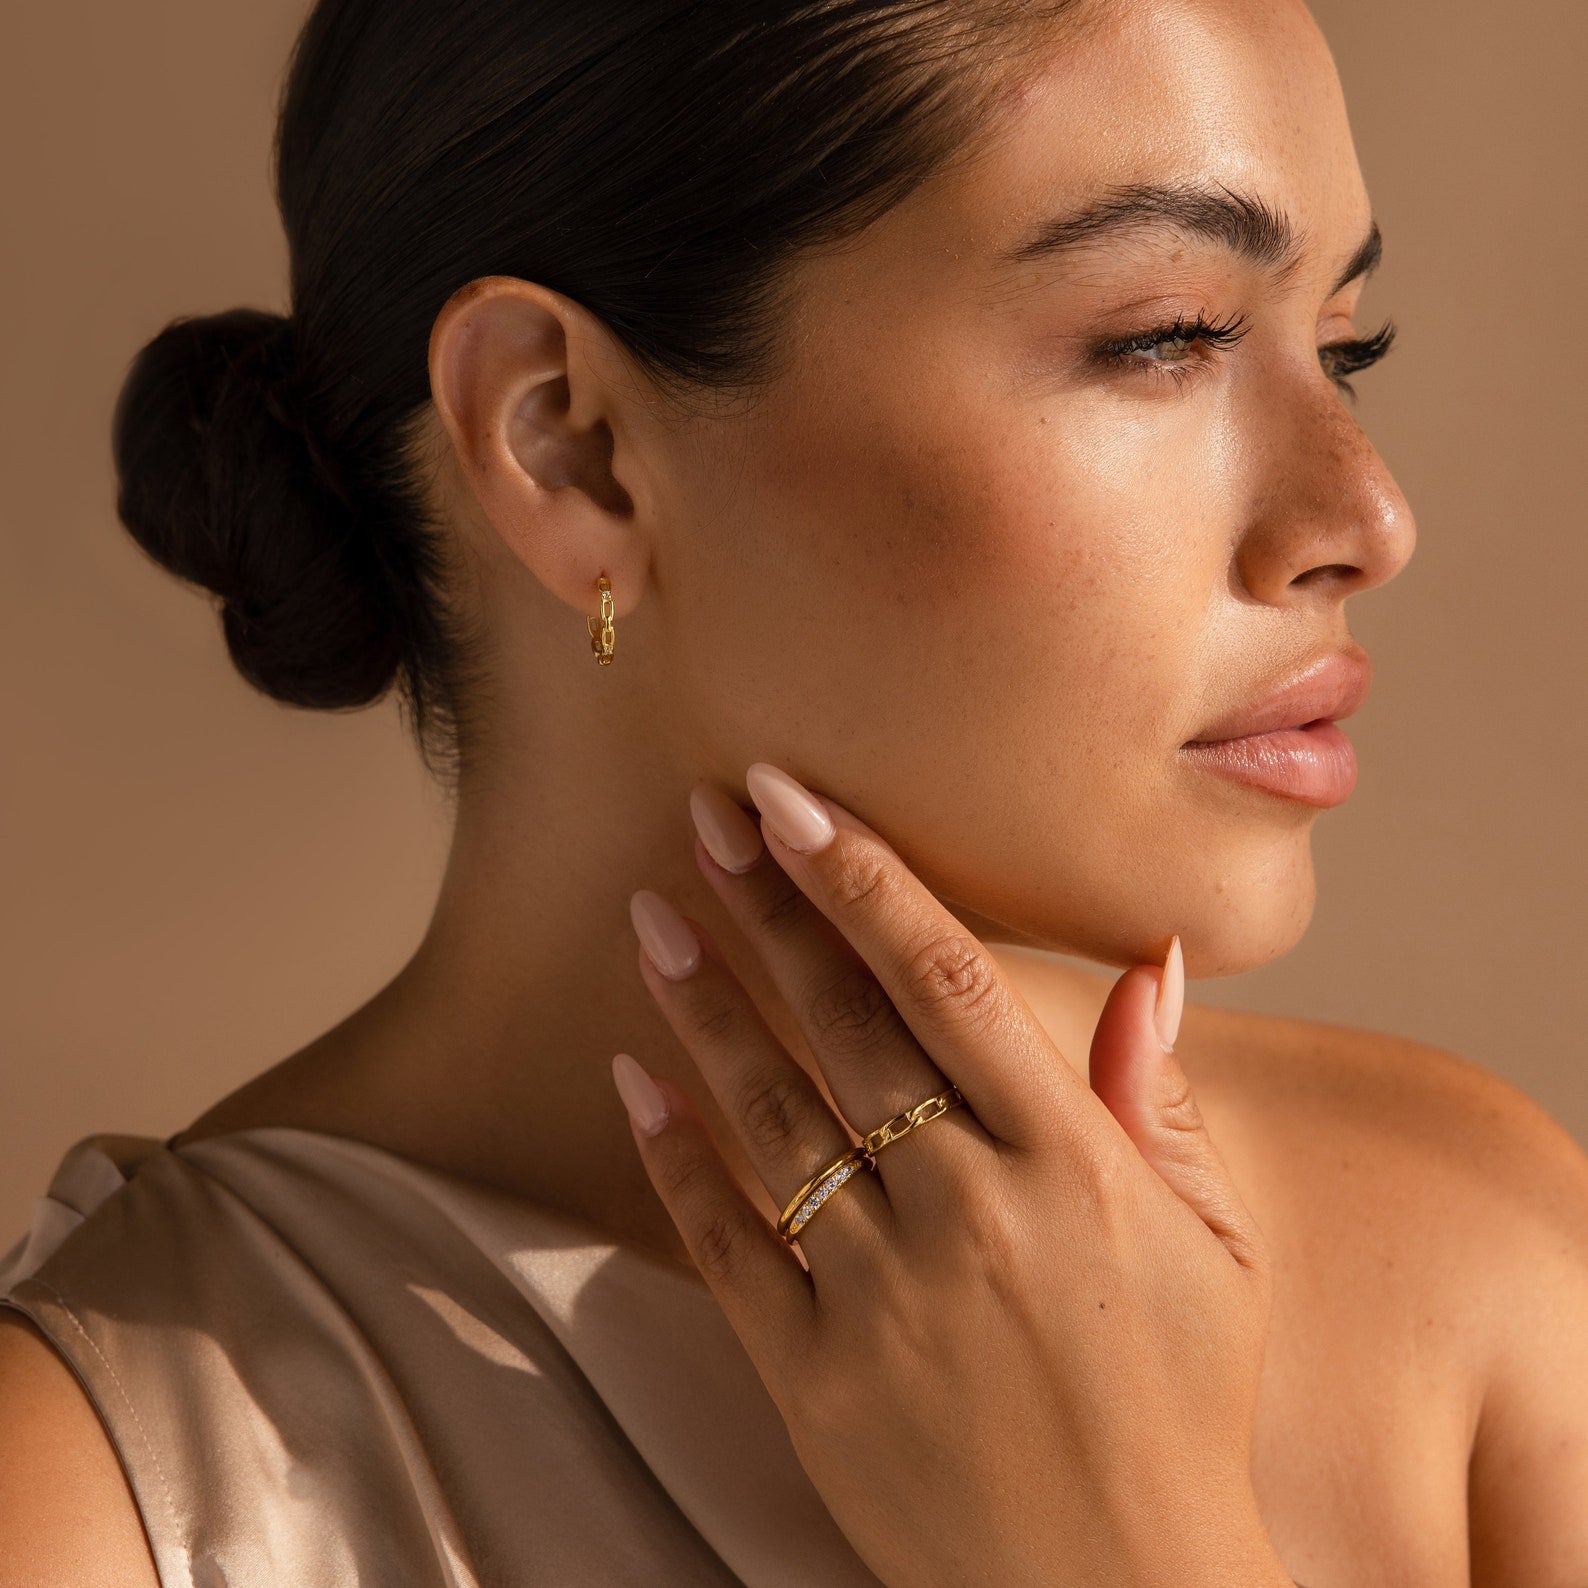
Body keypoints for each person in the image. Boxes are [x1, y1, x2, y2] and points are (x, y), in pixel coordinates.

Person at [3, 0, 1586, 1581]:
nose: (1367, 517)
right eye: (1163, 337)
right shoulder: (105, 1493)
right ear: (571, 445)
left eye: (1345, 348)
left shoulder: (1476, 1265)